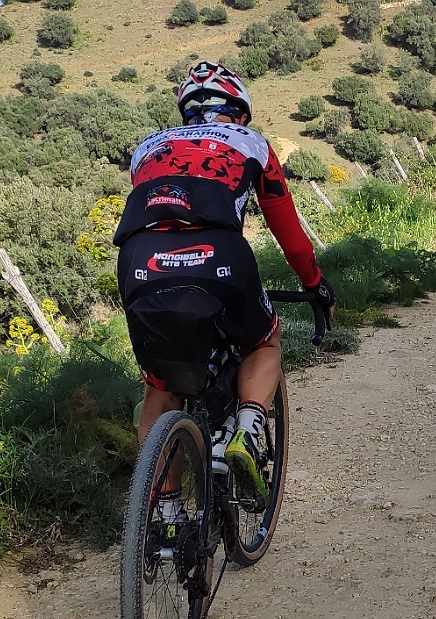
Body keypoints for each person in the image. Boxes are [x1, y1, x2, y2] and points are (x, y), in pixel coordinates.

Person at [113, 60, 334, 507]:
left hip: (139, 261)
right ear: (241, 111)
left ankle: (167, 515)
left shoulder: (145, 148)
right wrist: (314, 282)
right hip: (220, 256)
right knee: (263, 341)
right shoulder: (252, 142)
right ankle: (248, 430)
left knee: (160, 386)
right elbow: (288, 232)